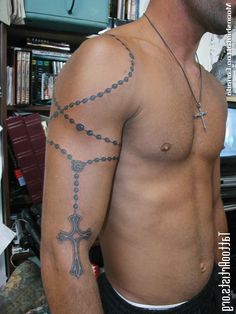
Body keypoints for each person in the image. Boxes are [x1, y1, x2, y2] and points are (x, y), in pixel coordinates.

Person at [41, 0, 236, 313]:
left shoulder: (213, 90)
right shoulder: (108, 63)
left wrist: (225, 295)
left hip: (210, 296)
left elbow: (214, 206)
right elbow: (64, 250)